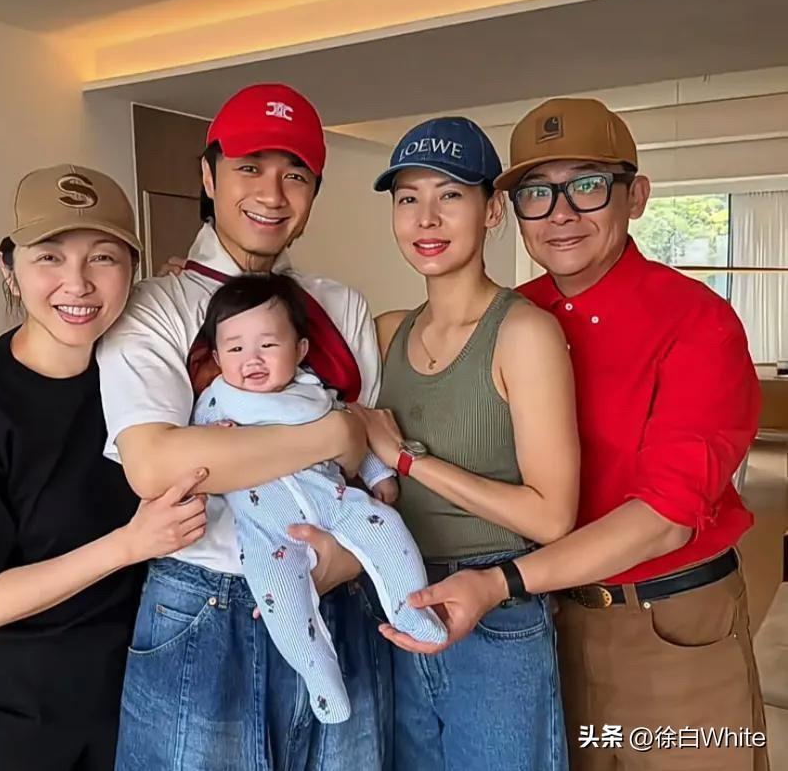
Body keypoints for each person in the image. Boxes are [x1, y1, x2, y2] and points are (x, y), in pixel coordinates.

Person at [388, 98, 767, 771]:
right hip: (545, 627)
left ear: (636, 196)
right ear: (513, 211)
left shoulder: (696, 321)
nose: (560, 214)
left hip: (666, 629)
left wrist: (500, 583)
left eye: (587, 186)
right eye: (537, 193)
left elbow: (664, 521)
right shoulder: (514, 318)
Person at [96, 84, 394, 771]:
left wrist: (351, 559)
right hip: (205, 602)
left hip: (336, 591)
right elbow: (156, 465)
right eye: (249, 167)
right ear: (208, 177)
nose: (272, 193)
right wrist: (331, 434)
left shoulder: (340, 307)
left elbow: (370, 465)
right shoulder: (157, 307)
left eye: (296, 175)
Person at [0, 165, 209, 771]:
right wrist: (129, 544)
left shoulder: (143, 378)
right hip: (8, 707)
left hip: (127, 687)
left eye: (103, 258)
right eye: (49, 256)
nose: (78, 283)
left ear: (134, 271)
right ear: (8, 268)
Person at [354, 116, 579, 770]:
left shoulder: (524, 333)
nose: (426, 218)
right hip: (395, 593)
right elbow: (279, 340)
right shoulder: (386, 331)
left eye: (450, 194)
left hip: (495, 604)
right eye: (408, 198)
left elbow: (551, 516)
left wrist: (408, 460)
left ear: (493, 211)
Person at [193, 273, 446, 724]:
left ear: (300, 350)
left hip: (335, 502)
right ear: (216, 357)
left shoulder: (315, 394)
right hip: (268, 532)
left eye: (268, 345)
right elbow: (194, 461)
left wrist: (379, 474)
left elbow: (356, 431)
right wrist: (214, 439)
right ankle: (319, 678)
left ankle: (410, 610)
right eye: (235, 349)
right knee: (282, 603)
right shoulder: (217, 403)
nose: (252, 359)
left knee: (389, 530)